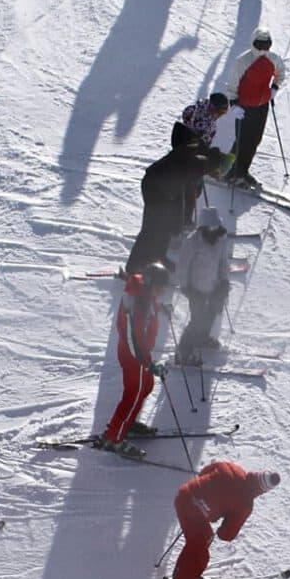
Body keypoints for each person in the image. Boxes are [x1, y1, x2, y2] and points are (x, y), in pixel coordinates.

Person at [164, 461, 280, 579]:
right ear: (262, 491)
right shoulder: (245, 503)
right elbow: (226, 534)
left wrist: (203, 493)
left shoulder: (232, 468)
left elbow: (206, 470)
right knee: (199, 554)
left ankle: (183, 578)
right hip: (193, 513)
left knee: (203, 538)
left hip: (184, 495)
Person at [98, 263, 170, 448]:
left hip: (138, 353)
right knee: (134, 394)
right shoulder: (140, 302)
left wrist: (160, 307)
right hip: (134, 355)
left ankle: (127, 424)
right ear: (151, 283)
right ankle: (114, 438)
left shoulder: (145, 294)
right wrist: (148, 363)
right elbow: (133, 337)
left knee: (145, 386)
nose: (162, 291)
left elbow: (145, 313)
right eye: (160, 287)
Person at [127, 123, 211, 270]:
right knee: (151, 228)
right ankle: (133, 267)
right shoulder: (182, 159)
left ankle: (159, 258)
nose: (194, 149)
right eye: (191, 146)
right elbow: (198, 166)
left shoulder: (186, 155)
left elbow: (201, 159)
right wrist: (215, 163)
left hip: (167, 191)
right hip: (154, 190)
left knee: (166, 226)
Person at [227, 30, 284, 185]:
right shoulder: (243, 61)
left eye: (266, 45)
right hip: (244, 107)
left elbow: (280, 71)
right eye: (259, 45)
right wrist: (233, 105)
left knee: (254, 141)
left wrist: (274, 88)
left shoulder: (273, 59)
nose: (262, 49)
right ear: (253, 42)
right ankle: (229, 170)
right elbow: (232, 84)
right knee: (241, 140)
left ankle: (242, 171)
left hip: (262, 107)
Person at [175, 214, 234, 360]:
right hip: (196, 287)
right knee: (197, 320)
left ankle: (202, 339)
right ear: (203, 227)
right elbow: (183, 265)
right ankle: (183, 351)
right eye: (210, 227)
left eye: (215, 226)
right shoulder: (192, 241)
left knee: (211, 314)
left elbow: (223, 263)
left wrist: (224, 281)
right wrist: (184, 285)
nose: (213, 229)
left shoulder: (221, 240)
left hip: (214, 286)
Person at [180, 88, 231, 169]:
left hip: (192, 153)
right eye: (221, 112)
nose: (222, 115)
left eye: (224, 113)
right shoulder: (202, 121)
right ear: (213, 108)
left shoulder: (206, 113)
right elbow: (198, 145)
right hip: (187, 157)